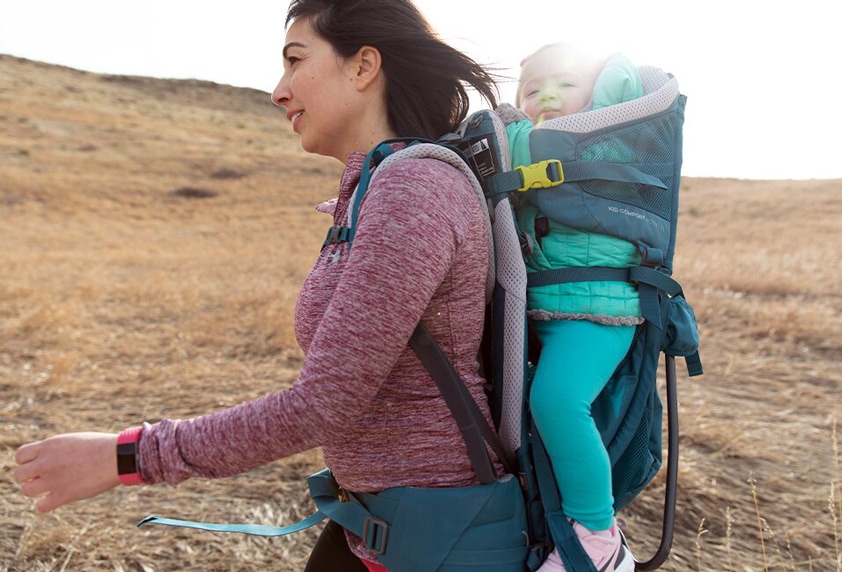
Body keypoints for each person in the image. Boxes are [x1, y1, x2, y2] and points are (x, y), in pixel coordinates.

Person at [13, 1, 507, 570]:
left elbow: (322, 403)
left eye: (296, 60)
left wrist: (126, 456)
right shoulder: (378, 185)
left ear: (363, 66)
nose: (278, 91)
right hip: (377, 520)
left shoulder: (414, 188)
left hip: (441, 534)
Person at [500, 43, 645, 572]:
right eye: (532, 89)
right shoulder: (540, 144)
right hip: (539, 308)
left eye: (566, 83)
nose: (548, 97)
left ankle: (599, 540)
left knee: (558, 402)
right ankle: (551, 522)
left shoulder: (612, 141)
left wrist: (609, 65)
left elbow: (624, 84)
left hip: (596, 312)